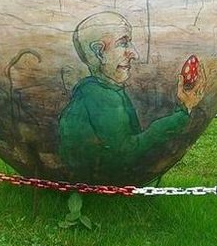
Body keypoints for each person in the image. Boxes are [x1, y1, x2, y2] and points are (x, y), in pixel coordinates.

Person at [57, 11, 205, 183]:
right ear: (99, 52)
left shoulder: (98, 91)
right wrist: (183, 112)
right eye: (124, 43)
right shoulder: (102, 98)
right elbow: (126, 154)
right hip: (98, 182)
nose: (135, 54)